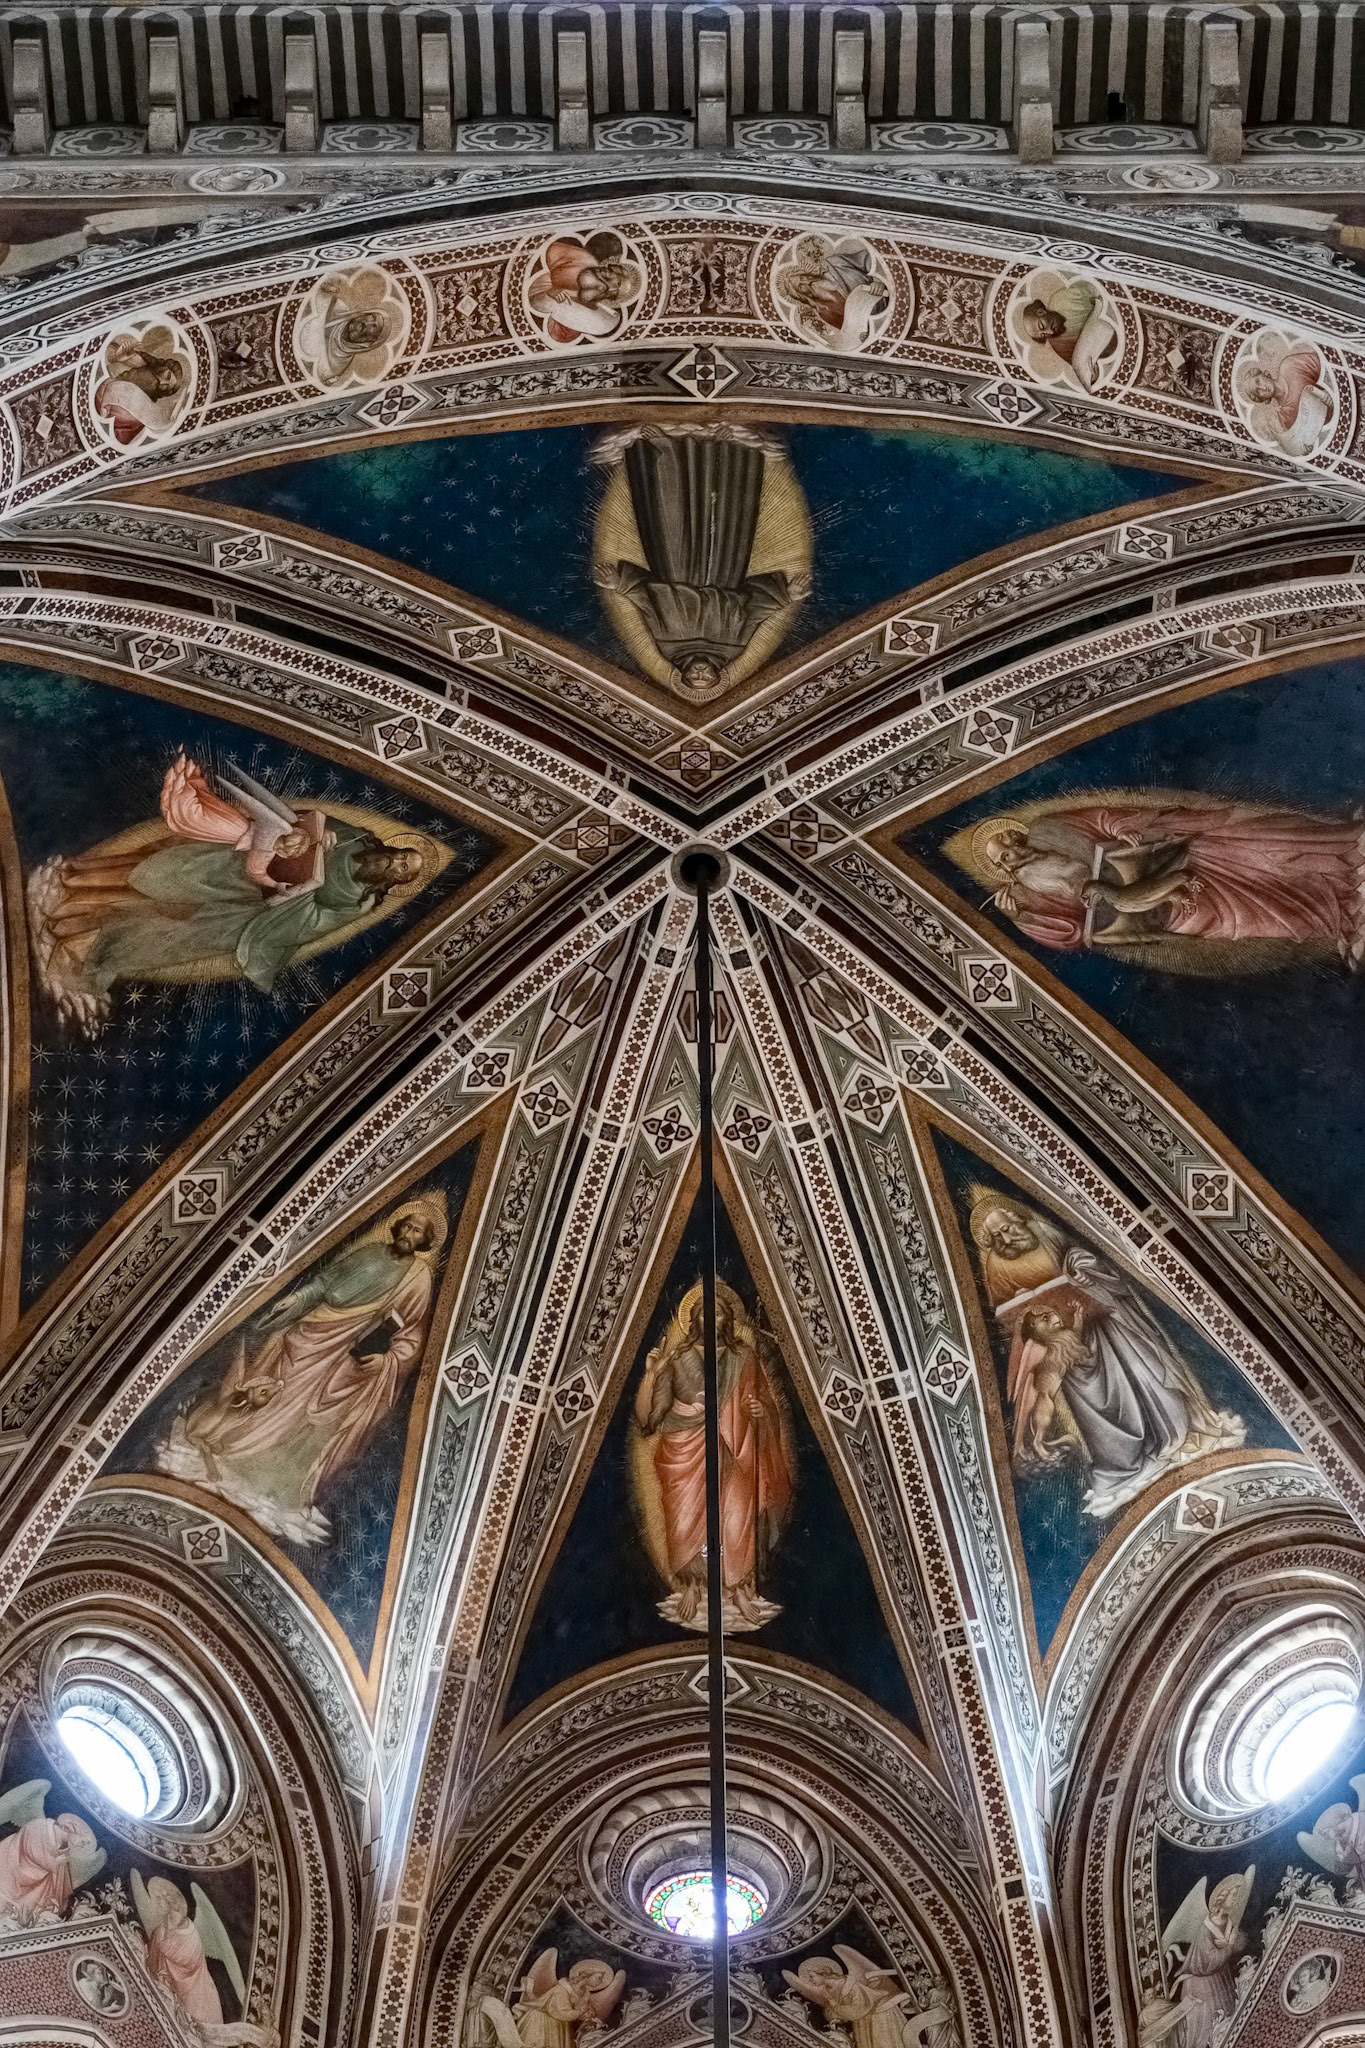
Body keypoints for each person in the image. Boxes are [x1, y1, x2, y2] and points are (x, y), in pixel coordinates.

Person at [26, 756, 428, 1031]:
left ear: (400, 880)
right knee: (160, 869)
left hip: (247, 909)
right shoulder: (357, 836)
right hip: (233, 867)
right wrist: (307, 837)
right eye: (401, 856)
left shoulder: (362, 899)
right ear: (392, 849)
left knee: (152, 923)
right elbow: (303, 821)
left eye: (404, 869)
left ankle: (66, 925)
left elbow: (314, 923)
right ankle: (69, 884)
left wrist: (295, 893)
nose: (397, 864)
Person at [157, 1197, 445, 1545]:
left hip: (347, 1355)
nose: (410, 1234)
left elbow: (411, 1335)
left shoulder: (418, 1279)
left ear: (424, 1241)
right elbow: (325, 1282)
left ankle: (279, 1484)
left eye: (418, 1231)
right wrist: (298, 1298)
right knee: (275, 1391)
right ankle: (230, 1448)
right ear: (398, 1227)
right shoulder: (369, 1253)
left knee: (314, 1416)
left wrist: (388, 1360)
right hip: (312, 1330)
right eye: (408, 1226)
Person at [972, 1195, 1242, 1517]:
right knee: (1097, 1404)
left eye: (1006, 1228)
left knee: (1148, 1372)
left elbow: (1086, 1261)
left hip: (1110, 1323)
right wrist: (1033, 1311)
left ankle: (1177, 1430)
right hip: (1070, 1347)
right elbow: (1013, 1320)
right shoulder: (996, 1267)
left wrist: (1081, 1272)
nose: (1006, 1238)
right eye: (996, 1237)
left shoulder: (1045, 1232)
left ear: (1016, 1219)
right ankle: (1124, 1461)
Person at [961, 796, 1365, 972]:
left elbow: (1102, 818)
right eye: (1006, 855)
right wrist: (1025, 916)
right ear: (1003, 869)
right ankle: (1337, 915)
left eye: (1012, 839)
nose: (1015, 848)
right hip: (1155, 906)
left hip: (1172, 852)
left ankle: (1346, 851)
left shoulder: (1049, 827)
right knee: (1243, 918)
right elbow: (1070, 935)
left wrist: (1124, 828)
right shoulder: (1026, 896)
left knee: (1263, 845)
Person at [595, 426, 804, 701]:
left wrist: (620, 582)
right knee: (729, 514)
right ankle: (730, 450)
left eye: (694, 679)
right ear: (718, 674)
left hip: (672, 562)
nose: (701, 674)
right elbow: (753, 611)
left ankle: (660, 447)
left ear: (683, 673)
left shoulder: (667, 644)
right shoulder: (734, 645)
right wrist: (786, 595)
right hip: (727, 565)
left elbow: (647, 601)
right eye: (707, 679)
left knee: (668, 511)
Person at [634, 1280, 793, 1629]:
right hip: (684, 1450)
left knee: (738, 1514)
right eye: (706, 1312)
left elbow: (766, 1407)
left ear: (728, 1320)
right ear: (693, 1320)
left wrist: (759, 1409)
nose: (713, 1317)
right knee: (686, 1517)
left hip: (737, 1450)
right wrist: (649, 1376)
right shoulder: (678, 1361)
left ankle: (738, 1586)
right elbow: (649, 1421)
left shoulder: (744, 1358)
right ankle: (692, 1584)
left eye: (719, 1312)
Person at [481, 1950, 625, 2048]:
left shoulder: (584, 1993)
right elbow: (561, 2012)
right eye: (598, 1978)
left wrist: (587, 2015)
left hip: (559, 2026)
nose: (600, 1982)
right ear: (587, 1975)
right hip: (542, 2022)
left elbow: (581, 2013)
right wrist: (580, 2011)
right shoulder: (562, 1988)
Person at [0, 1801, 102, 1924]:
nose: (82, 1845)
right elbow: (30, 1848)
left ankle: (26, 1914)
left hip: (31, 1884)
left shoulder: (64, 1851)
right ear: (72, 1829)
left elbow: (61, 1883)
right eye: (82, 1841)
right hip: (10, 1868)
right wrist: (54, 1863)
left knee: (50, 1881)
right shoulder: (40, 1826)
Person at [529, 235, 640, 341]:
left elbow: (555, 334)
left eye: (611, 293)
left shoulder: (585, 316)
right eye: (610, 274)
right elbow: (536, 250)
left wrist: (549, 295)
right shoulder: (582, 259)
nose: (605, 287)